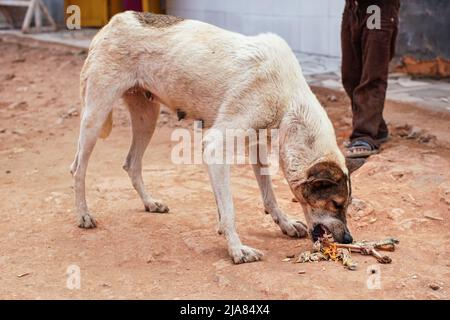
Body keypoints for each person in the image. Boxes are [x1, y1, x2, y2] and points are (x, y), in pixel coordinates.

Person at [341, 0, 400, 158]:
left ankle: (364, 135)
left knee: (372, 76)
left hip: (378, 8)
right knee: (350, 76)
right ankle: (378, 129)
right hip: (352, 8)